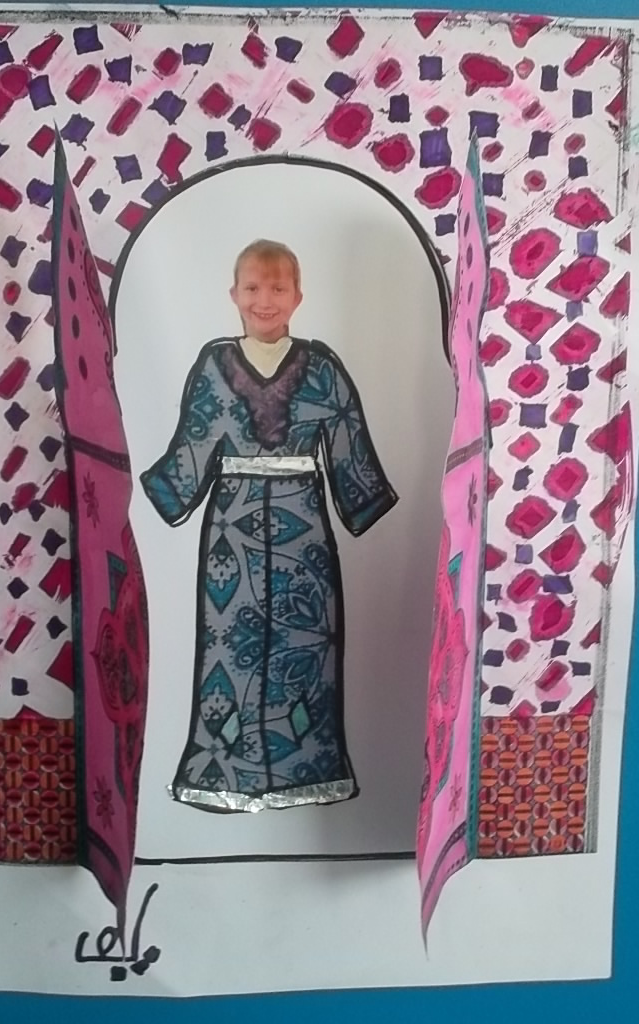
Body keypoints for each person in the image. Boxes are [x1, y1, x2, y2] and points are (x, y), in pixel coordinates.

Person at [141, 239, 398, 813]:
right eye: (253, 288)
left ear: (298, 297)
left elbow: (347, 433)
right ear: (234, 295)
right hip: (230, 529)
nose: (265, 300)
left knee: (306, 642)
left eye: (278, 288)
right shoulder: (213, 365)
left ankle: (309, 770)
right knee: (228, 644)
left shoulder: (323, 366)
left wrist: (361, 498)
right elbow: (194, 439)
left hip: (303, 528)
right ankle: (221, 771)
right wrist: (149, 494)